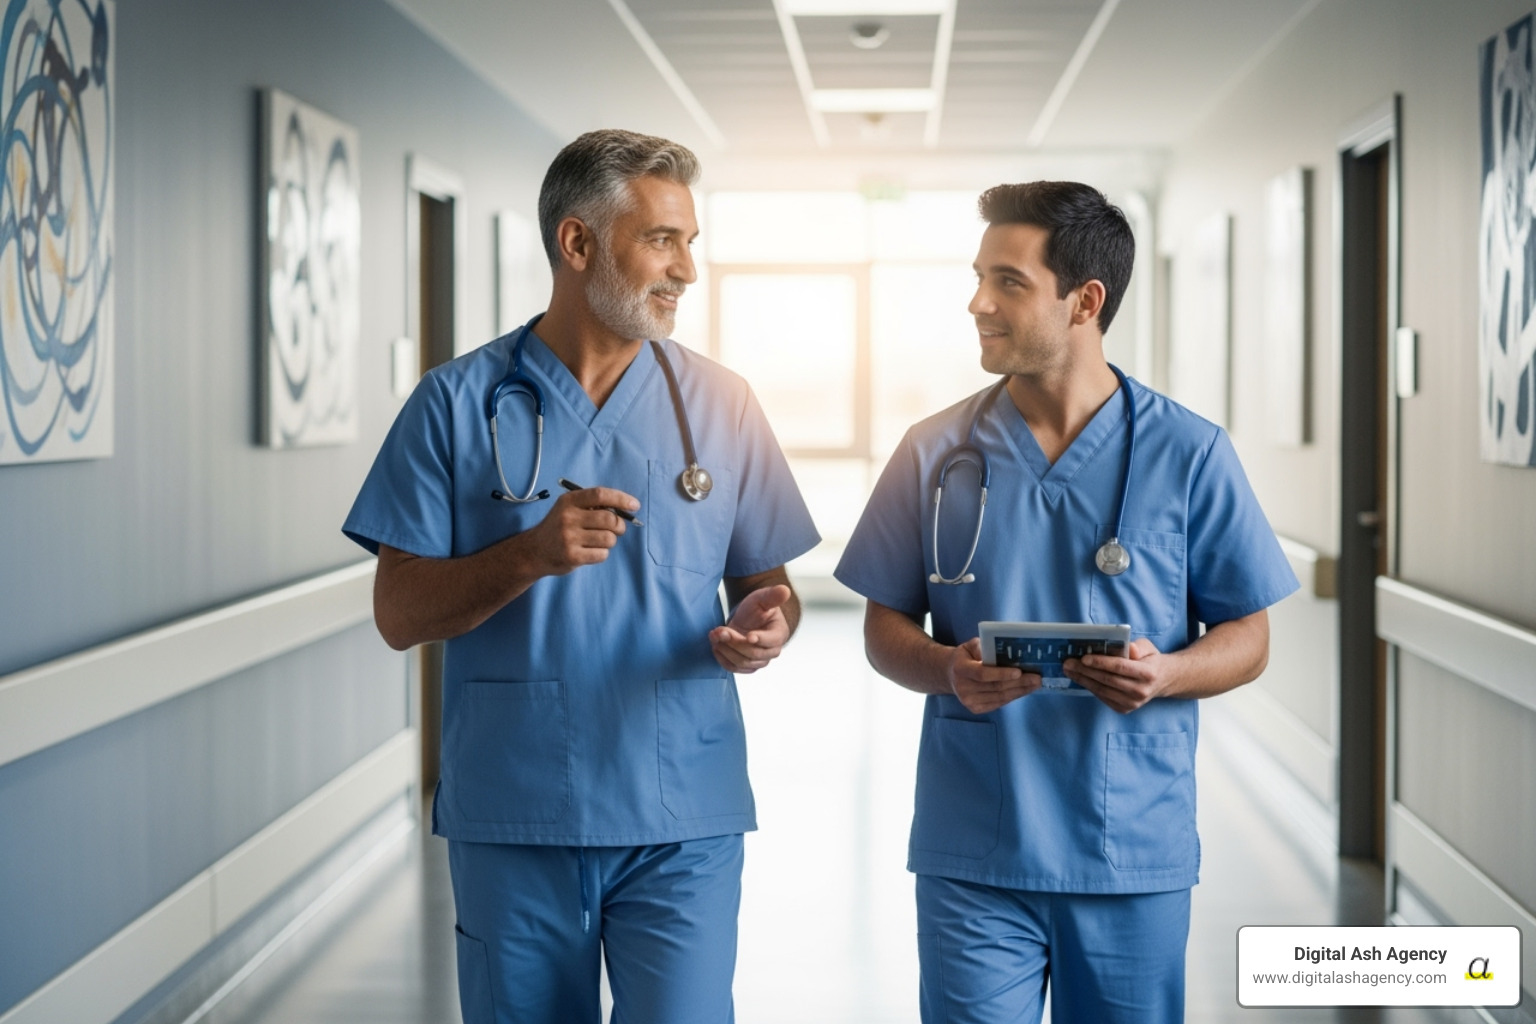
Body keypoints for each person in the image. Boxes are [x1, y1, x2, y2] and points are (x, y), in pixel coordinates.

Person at [342, 129, 819, 1024]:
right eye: (661, 241)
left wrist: (769, 620)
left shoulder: (723, 403)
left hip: (683, 811)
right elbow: (398, 613)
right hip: (518, 814)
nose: (686, 270)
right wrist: (527, 554)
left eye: (691, 243)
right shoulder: (453, 404)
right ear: (577, 244)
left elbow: (772, 583)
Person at [833, 181, 1298, 1023]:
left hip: (1129, 851)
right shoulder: (934, 451)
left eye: (1008, 281)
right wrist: (946, 669)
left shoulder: (1189, 453)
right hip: (975, 847)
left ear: (1085, 300)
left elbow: (1250, 635)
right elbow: (882, 626)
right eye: (979, 277)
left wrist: (1170, 672)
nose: (977, 303)